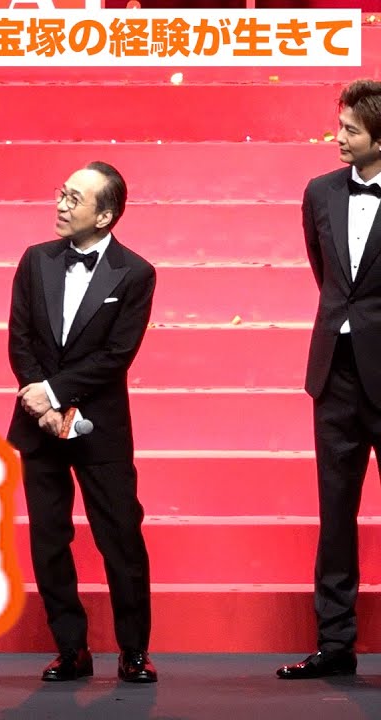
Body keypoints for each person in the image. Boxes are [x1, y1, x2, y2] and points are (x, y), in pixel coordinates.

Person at [7, 161, 158, 684]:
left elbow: (116, 355)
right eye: (62, 193)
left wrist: (54, 394)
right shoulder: (35, 260)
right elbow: (20, 339)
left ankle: (134, 651)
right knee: (49, 539)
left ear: (106, 215)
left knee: (120, 536)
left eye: (74, 198)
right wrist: (41, 404)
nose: (61, 204)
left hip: (100, 428)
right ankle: (70, 649)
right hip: (38, 424)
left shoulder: (135, 273)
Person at [279, 79, 381, 680]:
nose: (338, 137)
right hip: (335, 374)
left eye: (350, 130)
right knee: (335, 512)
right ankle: (335, 643)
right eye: (339, 125)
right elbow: (327, 275)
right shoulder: (319, 192)